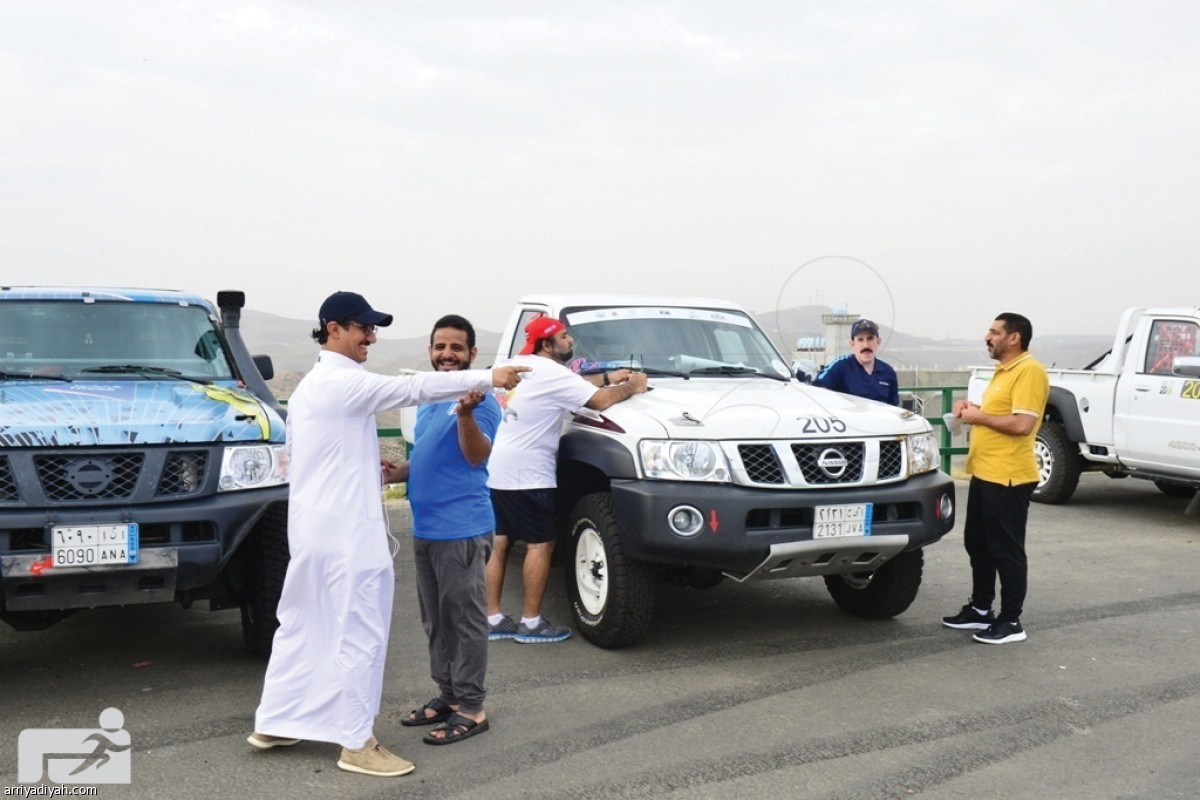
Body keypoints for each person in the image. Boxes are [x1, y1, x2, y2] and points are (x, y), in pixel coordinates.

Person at [248, 291, 527, 778]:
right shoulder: (343, 382)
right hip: (347, 537)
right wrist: (491, 376)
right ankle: (357, 742)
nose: (371, 337)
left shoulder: (314, 387)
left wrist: (370, 471)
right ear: (334, 328)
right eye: (363, 328)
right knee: (360, 631)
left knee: (302, 623)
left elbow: (313, 458)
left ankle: (276, 719)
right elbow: (413, 389)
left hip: (313, 531)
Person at [485, 315, 648, 644]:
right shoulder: (552, 373)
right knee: (540, 544)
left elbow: (573, 383)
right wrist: (631, 386)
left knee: (500, 543)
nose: (570, 341)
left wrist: (605, 376)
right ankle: (530, 624)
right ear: (547, 344)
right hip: (529, 474)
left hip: (500, 468)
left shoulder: (518, 365)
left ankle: (492, 618)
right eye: (563, 337)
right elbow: (597, 400)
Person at [387, 315, 499, 746]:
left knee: (464, 621)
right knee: (436, 620)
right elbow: (433, 457)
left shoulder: (481, 401)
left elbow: (476, 455)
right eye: (440, 347)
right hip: (427, 529)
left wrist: (467, 414)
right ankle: (449, 695)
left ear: (473, 355)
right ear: (430, 352)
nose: (447, 354)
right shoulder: (434, 398)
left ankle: (472, 708)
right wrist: (399, 472)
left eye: (456, 347)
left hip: (462, 531)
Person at [942, 312, 1049, 645]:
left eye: (993, 332)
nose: (987, 337)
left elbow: (1022, 425)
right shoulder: (1003, 372)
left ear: (1013, 337)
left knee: (1006, 550)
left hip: (1009, 477)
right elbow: (1001, 416)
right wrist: (973, 409)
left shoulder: (1029, 371)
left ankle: (1011, 621)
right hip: (986, 472)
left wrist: (979, 416)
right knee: (978, 544)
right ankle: (980, 608)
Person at [813, 318, 900, 405]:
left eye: (870, 339)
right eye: (860, 340)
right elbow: (817, 390)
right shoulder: (840, 366)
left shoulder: (888, 372)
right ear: (852, 344)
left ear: (878, 342)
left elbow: (894, 409)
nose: (866, 345)